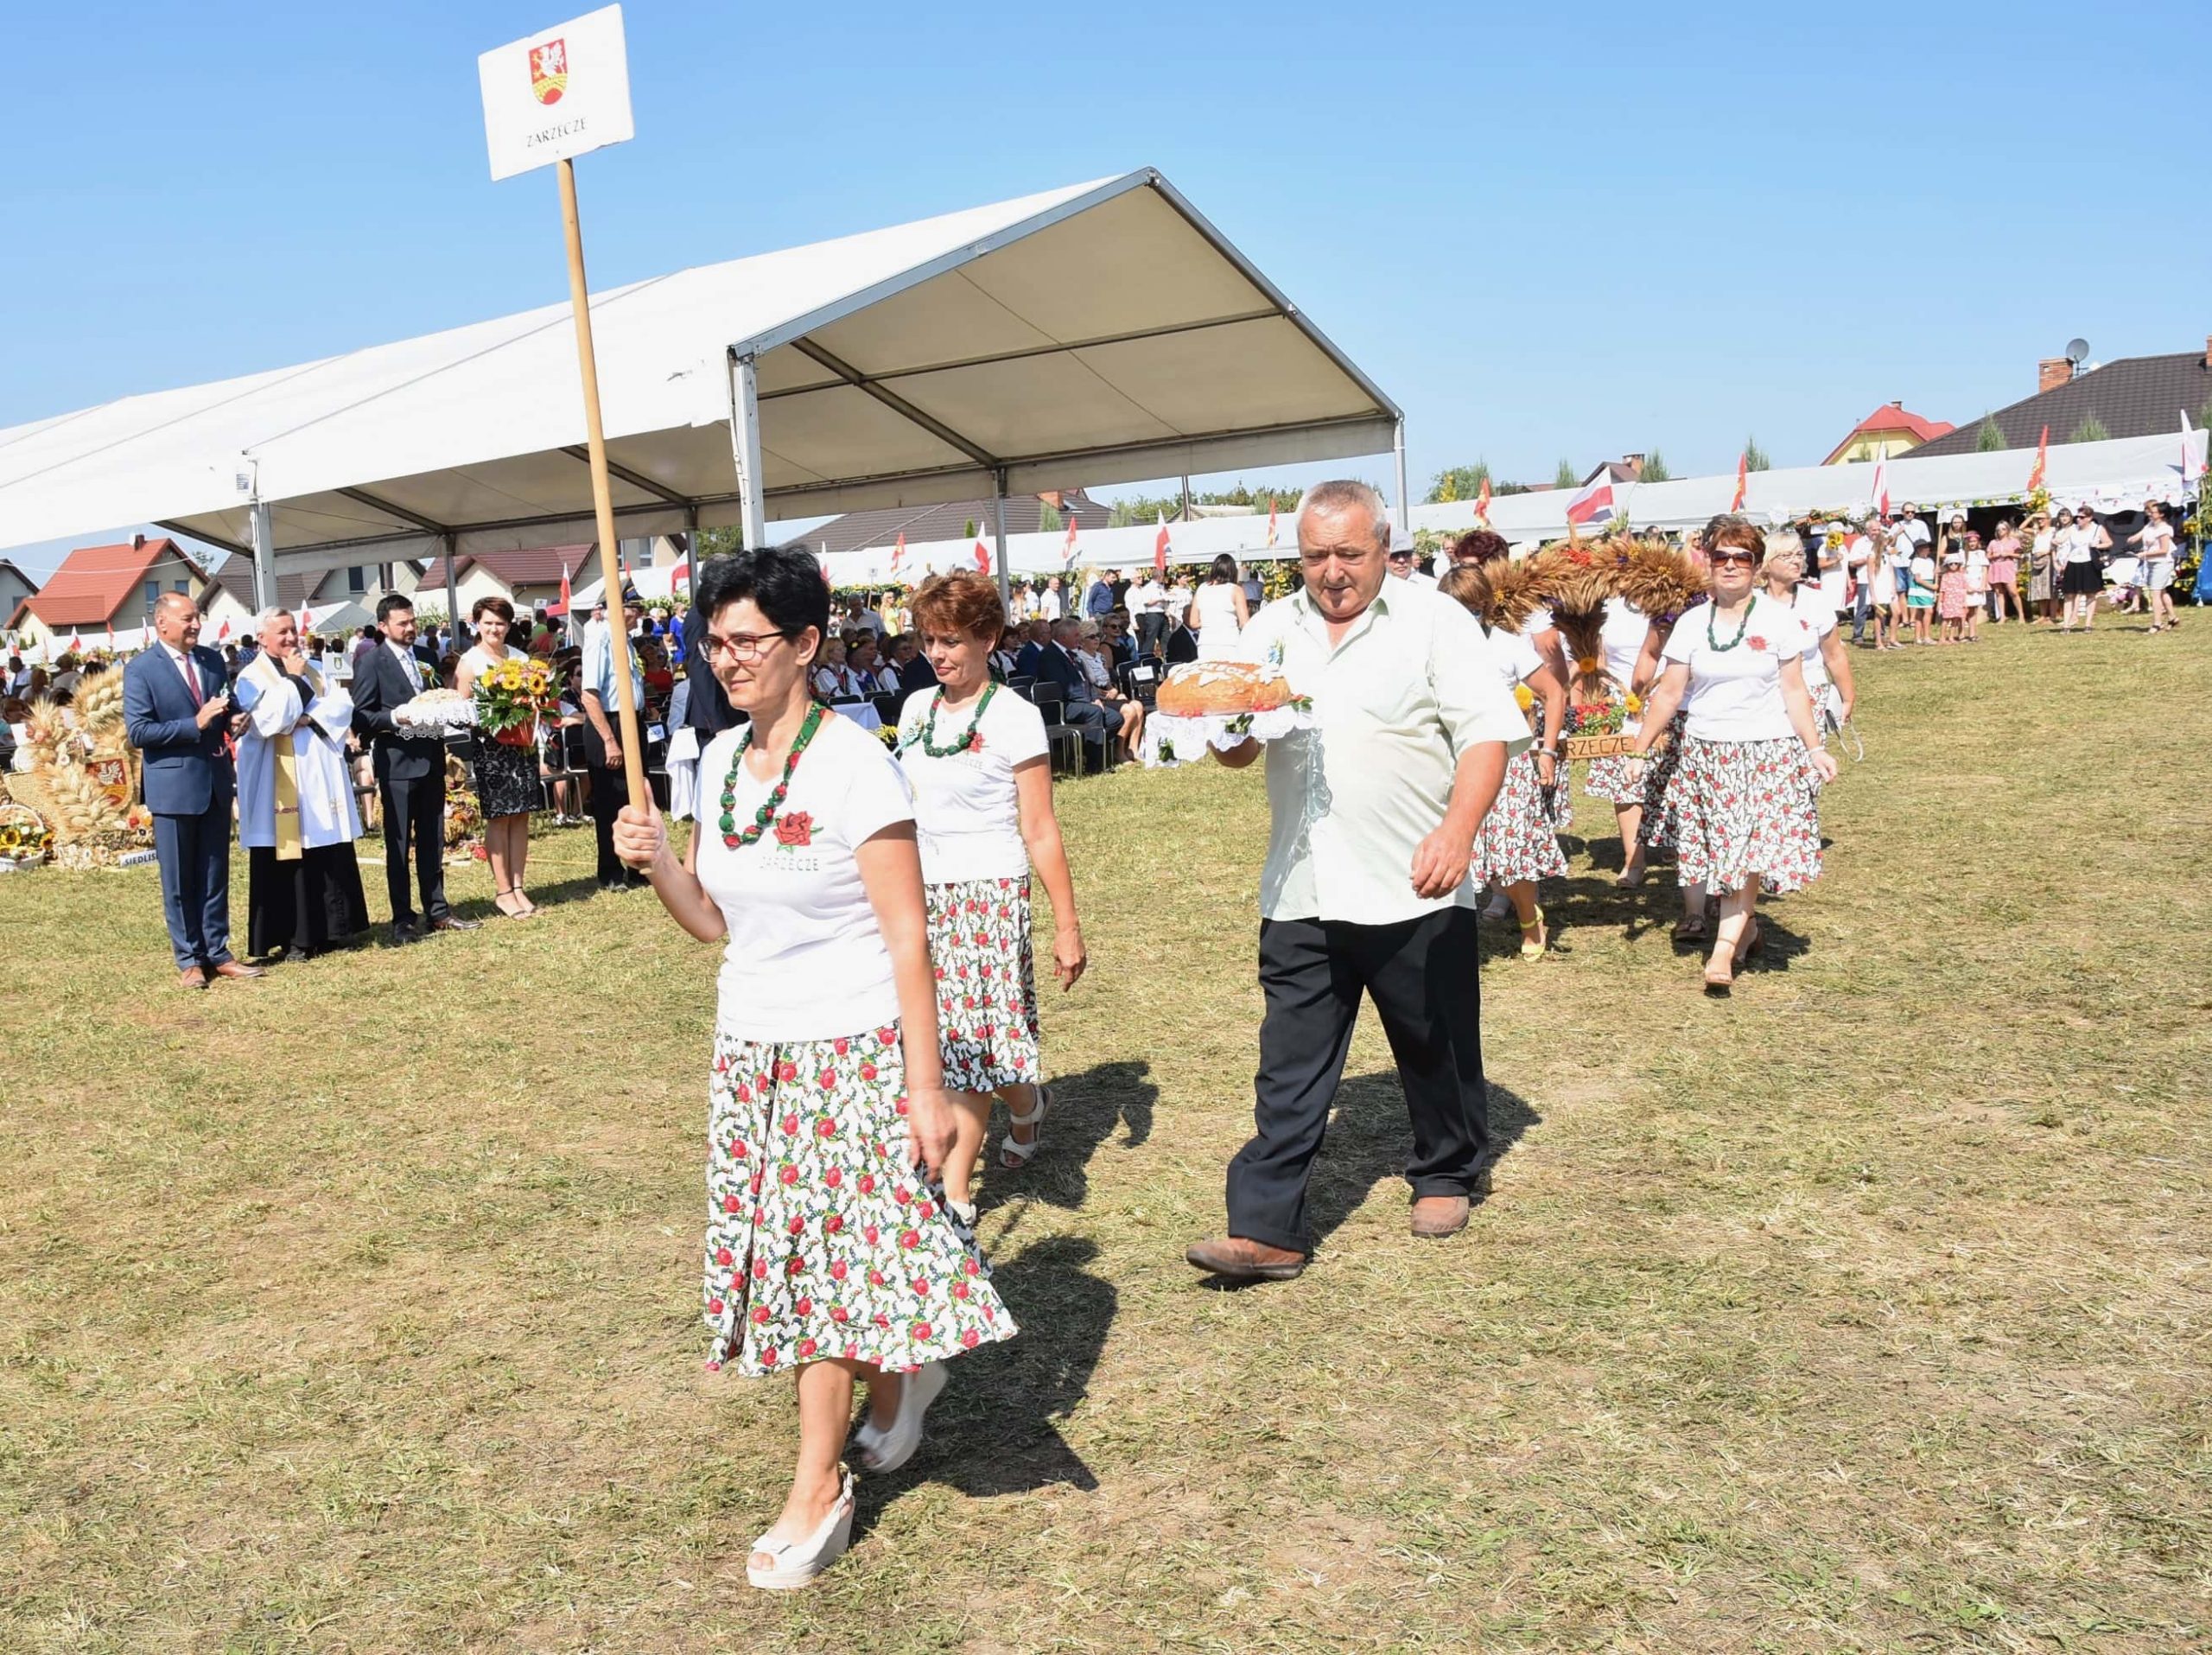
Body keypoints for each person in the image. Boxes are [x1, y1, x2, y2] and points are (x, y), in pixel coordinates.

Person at [610, 544, 1014, 1591]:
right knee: (810, 1261)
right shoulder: (712, 760)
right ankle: (900, 1379)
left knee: (824, 1273)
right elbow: (709, 921)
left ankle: (817, 1484)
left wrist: (925, 1087)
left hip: (852, 1051)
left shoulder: (855, 765)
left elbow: (908, 937)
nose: (727, 658)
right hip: (752, 1051)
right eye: (716, 640)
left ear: (804, 644)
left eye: (748, 640)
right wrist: (658, 860)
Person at [1184, 480, 1529, 1283]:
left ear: (1383, 547)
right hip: (1303, 883)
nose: (1332, 572)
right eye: (1314, 556)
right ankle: (1266, 1228)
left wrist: (1457, 830)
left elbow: (1486, 737)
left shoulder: (1433, 620)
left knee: (1433, 1038)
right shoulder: (1271, 629)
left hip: (1412, 877)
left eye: (1349, 553)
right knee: (1289, 1063)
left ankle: (1446, 1169)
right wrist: (1222, 726)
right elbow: (1236, 749)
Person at [896, 570, 1088, 1227]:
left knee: (971, 1049)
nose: (937, 653)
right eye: (928, 640)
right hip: (921, 898)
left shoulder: (1015, 716)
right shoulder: (915, 709)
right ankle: (1030, 1103)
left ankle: (952, 1195)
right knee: (946, 1042)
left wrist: (1067, 925)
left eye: (949, 640)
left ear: (989, 637)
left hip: (990, 898)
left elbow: (1039, 827)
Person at [1630, 521, 1837, 993]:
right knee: (1722, 852)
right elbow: (1668, 694)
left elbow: (1795, 690)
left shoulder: (1779, 620)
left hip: (1766, 753)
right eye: (1720, 557)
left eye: (1741, 558)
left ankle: (1722, 951)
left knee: (1746, 853)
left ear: (1756, 564)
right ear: (1707, 560)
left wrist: (1815, 747)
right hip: (1707, 754)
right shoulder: (1690, 623)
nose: (1729, 566)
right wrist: (1639, 750)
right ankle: (1749, 929)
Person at [123, 593, 262, 989]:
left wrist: (235, 718)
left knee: (215, 873)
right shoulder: (141, 670)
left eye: (197, 617)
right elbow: (139, 732)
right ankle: (189, 959)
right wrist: (194, 724)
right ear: (162, 623)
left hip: (215, 781)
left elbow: (224, 706)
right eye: (187, 619)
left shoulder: (211, 660)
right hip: (173, 788)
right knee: (180, 880)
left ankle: (218, 951)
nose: (196, 625)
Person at [1438, 564, 1565, 958]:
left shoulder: (1506, 645)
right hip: (1450, 762)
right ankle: (1451, 930)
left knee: (1510, 850)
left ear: (1486, 607)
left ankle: (1530, 919)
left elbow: (1554, 694)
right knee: (1456, 850)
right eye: (1458, 610)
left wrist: (1546, 750)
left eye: (1474, 610)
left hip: (1507, 762)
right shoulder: (1431, 647)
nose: (1467, 619)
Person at [234, 607, 369, 958]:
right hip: (277, 780)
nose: (291, 638)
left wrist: (308, 716)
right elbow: (268, 720)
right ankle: (295, 936)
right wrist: (293, 683)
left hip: (319, 775)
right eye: (282, 632)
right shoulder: (250, 676)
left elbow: (341, 704)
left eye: (293, 630)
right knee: (288, 854)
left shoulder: (317, 668)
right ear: (262, 638)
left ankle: (332, 929)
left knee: (324, 847)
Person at [351, 595, 479, 943]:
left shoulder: (426, 656)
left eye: (412, 621)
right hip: (397, 764)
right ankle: (402, 918)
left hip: (432, 759)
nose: (410, 628)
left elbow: (434, 702)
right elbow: (361, 715)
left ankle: (437, 910)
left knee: (433, 839)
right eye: (402, 623)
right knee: (398, 845)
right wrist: (394, 717)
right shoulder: (371, 662)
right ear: (383, 626)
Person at [457, 597, 543, 920]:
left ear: (509, 626)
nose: (495, 629)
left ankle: (519, 886)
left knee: (521, 815)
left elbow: (537, 697)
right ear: (477, 623)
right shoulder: (470, 662)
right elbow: (460, 710)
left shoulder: (521, 659)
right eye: (488, 622)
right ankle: (503, 891)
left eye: (501, 623)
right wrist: (491, 715)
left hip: (522, 745)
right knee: (500, 816)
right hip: (491, 747)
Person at [578, 603, 648, 894]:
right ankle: (610, 871)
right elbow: (590, 695)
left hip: (632, 721)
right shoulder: (601, 638)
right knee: (610, 802)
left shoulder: (625, 640)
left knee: (635, 800)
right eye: (633, 608)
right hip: (609, 724)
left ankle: (636, 866)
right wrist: (610, 740)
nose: (638, 614)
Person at [1760, 532, 1855, 736]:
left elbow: (1834, 654)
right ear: (1767, 562)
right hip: (1764, 697)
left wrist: (1847, 698)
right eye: (1786, 556)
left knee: (1810, 762)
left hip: (1810, 693)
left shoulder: (1816, 601)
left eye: (1799, 554)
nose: (1797, 561)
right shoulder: (1750, 604)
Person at [1033, 619, 1111, 762]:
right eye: (1076, 635)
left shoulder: (1071, 653)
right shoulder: (1050, 656)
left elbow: (1085, 680)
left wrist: (1095, 697)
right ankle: (1095, 763)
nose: (1079, 639)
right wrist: (1089, 701)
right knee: (1094, 712)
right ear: (1063, 638)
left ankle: (1099, 755)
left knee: (1115, 717)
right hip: (1062, 706)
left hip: (1079, 701)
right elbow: (1065, 687)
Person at [1187, 554, 1250, 661]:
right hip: (1229, 642)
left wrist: (1210, 621)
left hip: (1206, 643)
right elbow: (1245, 623)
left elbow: (1193, 622)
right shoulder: (1236, 590)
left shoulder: (1202, 589)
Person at [2056, 506, 2110, 631]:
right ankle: (2066, 624)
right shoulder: (2073, 528)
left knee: (2090, 594)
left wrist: (2098, 545)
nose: (2079, 519)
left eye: (2082, 517)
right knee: (2069, 595)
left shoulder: (2097, 528)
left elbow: (2108, 542)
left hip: (2089, 562)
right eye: (2078, 517)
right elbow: (2061, 539)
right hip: (2073, 562)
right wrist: (2055, 540)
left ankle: (2088, 624)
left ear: (2089, 518)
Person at [2132, 501, 2179, 633]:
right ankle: (2172, 618)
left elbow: (2164, 550)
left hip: (2162, 563)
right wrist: (2132, 539)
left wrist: (2144, 554)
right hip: (2152, 562)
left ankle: (2157, 624)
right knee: (2162, 591)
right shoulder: (2151, 525)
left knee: (2155, 593)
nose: (2150, 514)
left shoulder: (2165, 529)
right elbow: (2141, 535)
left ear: (2162, 514)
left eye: (2153, 512)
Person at [1986, 519, 2024, 624]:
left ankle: (2021, 615)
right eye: (1998, 530)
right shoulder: (1993, 542)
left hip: (2008, 566)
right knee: (1999, 593)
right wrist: (1995, 555)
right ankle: (2002, 616)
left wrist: (2009, 554)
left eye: (2003, 529)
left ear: (2007, 530)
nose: (2000, 532)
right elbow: (1988, 556)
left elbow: (2019, 555)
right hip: (1996, 567)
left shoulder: (2013, 541)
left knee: (2013, 592)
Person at [1130, 570, 1170, 657]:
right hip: (1153, 614)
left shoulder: (1160, 587)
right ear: (1159, 577)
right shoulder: (1148, 588)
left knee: (1166, 637)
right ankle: (1146, 658)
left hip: (1162, 613)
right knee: (1150, 639)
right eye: (1163, 576)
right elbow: (1147, 602)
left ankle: (1168, 657)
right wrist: (1160, 599)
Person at [1936, 544, 1969, 645]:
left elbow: (1965, 588)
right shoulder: (1945, 576)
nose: (1953, 565)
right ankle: (1942, 638)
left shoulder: (1961, 576)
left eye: (1956, 563)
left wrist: (1965, 601)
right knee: (1946, 619)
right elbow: (1942, 590)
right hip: (1948, 601)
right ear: (1947, 565)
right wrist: (1939, 603)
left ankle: (1951, 637)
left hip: (1959, 600)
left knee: (1956, 619)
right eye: (1951, 564)